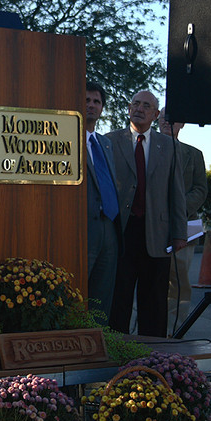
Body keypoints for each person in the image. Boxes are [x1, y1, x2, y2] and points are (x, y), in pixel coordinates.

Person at [106, 90, 187, 337]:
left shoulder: (169, 146)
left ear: (155, 114)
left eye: (146, 105)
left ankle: (154, 356)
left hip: (157, 233)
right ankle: (117, 352)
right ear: (129, 109)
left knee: (154, 300)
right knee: (119, 297)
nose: (139, 109)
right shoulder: (109, 141)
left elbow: (177, 192)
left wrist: (179, 233)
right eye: (135, 104)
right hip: (121, 232)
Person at [158, 108, 208, 333]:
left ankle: (175, 331)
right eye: (163, 118)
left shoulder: (194, 154)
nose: (168, 122)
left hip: (186, 227)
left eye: (173, 119)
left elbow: (200, 189)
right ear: (157, 121)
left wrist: (177, 210)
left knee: (179, 284)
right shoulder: (146, 149)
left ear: (182, 125)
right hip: (151, 227)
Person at [85, 81, 121, 319]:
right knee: (78, 292)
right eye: (86, 100)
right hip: (84, 228)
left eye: (96, 102)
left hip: (110, 226)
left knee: (102, 297)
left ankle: (98, 342)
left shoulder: (105, 143)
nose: (91, 105)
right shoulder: (65, 138)